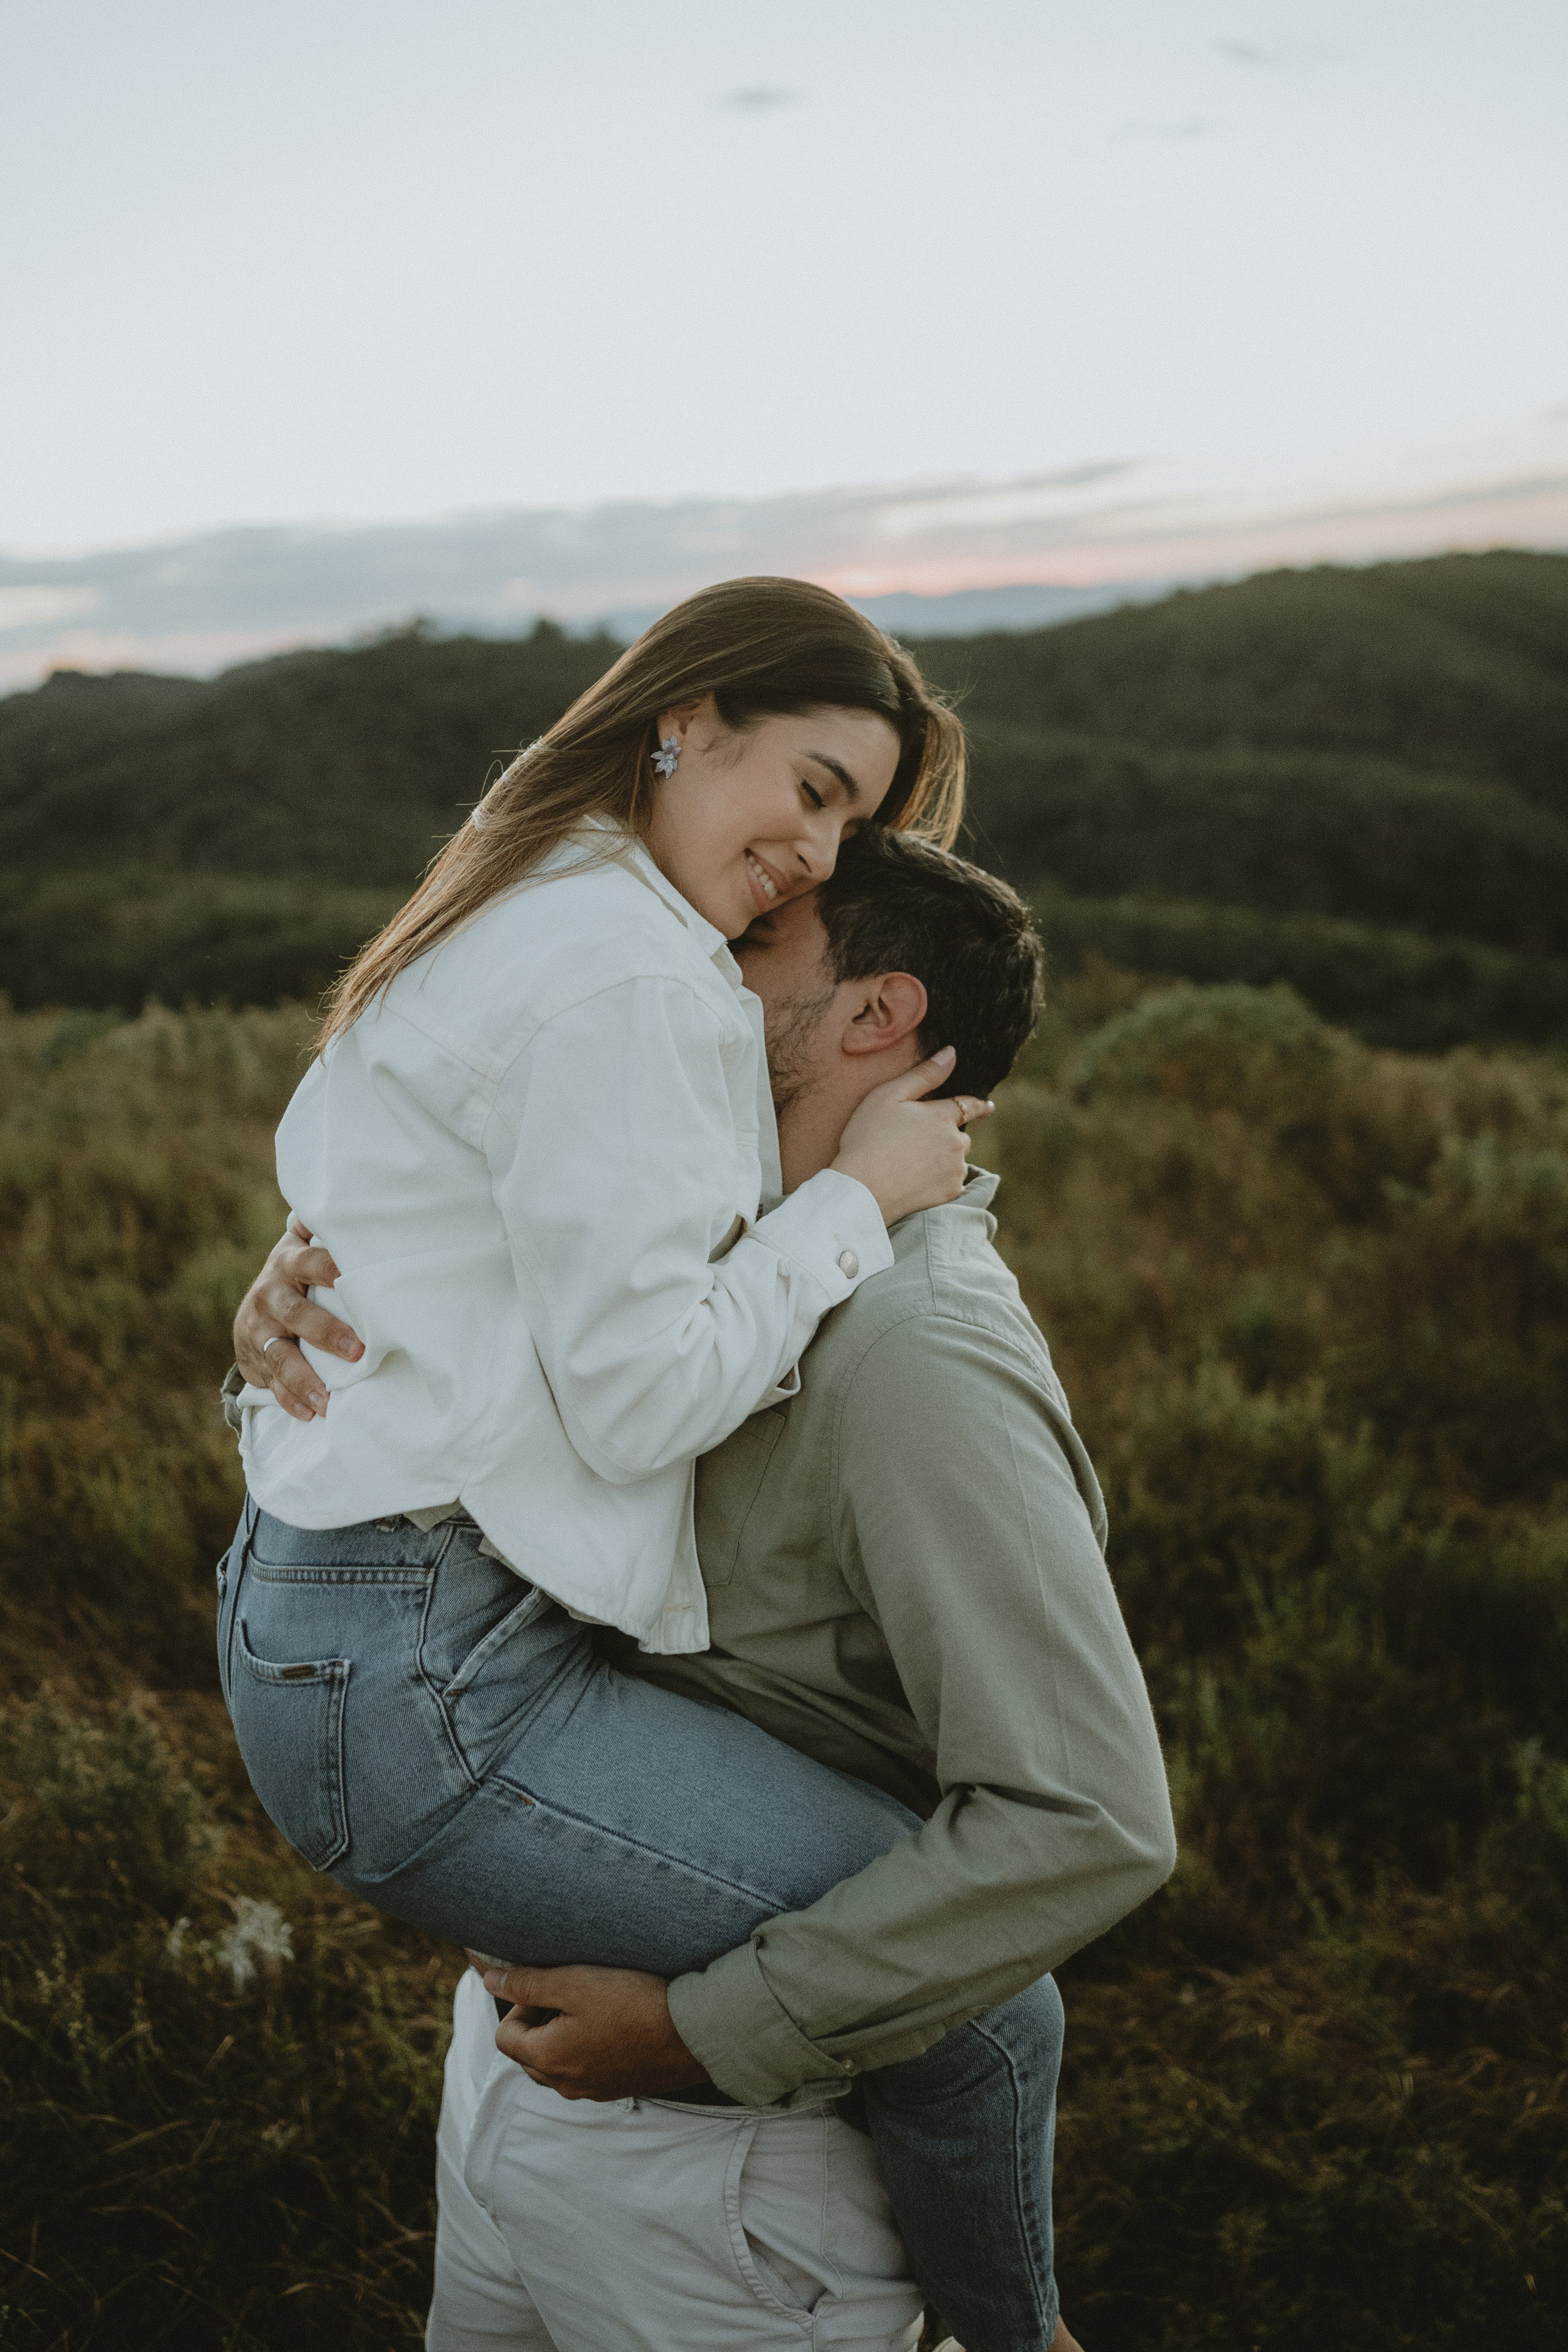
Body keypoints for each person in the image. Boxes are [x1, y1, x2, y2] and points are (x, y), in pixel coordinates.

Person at [238, 831, 1177, 2351]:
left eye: (747, 947)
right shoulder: (678, 1231)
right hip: (511, 2084)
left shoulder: (918, 1350)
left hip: (738, 2190)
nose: (687, 964)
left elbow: (1084, 1818)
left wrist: (696, 2034)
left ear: (875, 1013)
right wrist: (287, 1311)